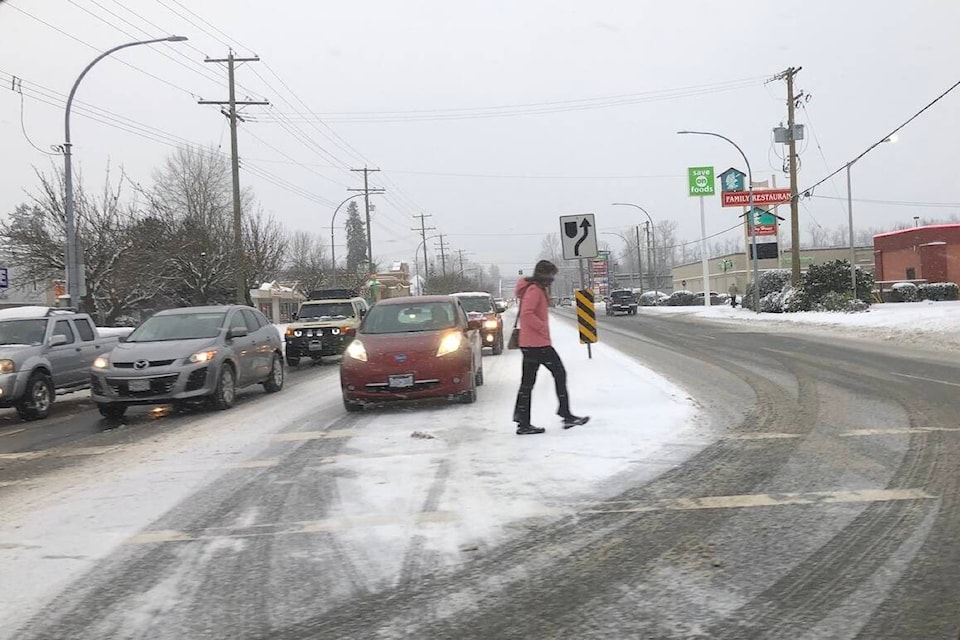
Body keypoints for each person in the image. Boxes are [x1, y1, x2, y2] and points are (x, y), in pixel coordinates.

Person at [512, 260, 589, 435]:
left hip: (531, 344)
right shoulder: (534, 290)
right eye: (551, 275)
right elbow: (527, 313)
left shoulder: (536, 288)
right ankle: (565, 414)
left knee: (528, 384)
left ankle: (523, 422)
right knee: (559, 374)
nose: (552, 279)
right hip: (538, 345)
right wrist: (542, 328)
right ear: (544, 275)